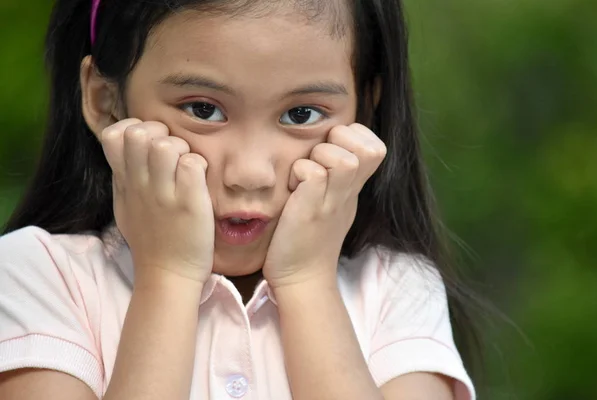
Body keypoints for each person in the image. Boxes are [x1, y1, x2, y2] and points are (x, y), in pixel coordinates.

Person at [0, 0, 478, 399]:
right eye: (203, 109)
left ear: (365, 113)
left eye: (301, 114)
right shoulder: (39, 276)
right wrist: (167, 277)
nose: (250, 173)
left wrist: (308, 283)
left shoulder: (396, 290)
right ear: (106, 102)